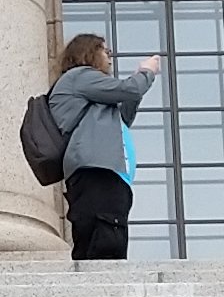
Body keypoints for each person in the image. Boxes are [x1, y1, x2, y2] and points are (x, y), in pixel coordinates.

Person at [46, 31, 159, 263]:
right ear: (89, 52)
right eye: (105, 50)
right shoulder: (80, 77)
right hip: (98, 172)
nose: (110, 57)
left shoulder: (90, 90)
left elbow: (123, 116)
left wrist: (135, 84)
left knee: (99, 238)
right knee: (106, 238)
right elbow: (130, 89)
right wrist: (146, 72)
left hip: (107, 172)